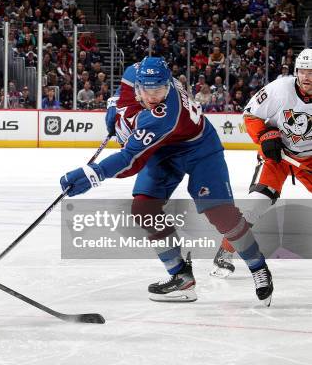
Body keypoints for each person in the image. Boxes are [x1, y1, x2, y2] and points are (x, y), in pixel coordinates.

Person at [66, 56, 273, 305]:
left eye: (160, 90)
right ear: (139, 84)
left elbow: (130, 160)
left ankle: (258, 266)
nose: (154, 97)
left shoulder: (164, 114)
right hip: (164, 150)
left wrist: (93, 174)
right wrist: (116, 105)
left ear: (169, 85)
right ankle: (180, 277)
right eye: (148, 90)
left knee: (221, 214)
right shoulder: (136, 71)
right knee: (144, 208)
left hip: (199, 149)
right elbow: (125, 89)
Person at [211, 49, 312, 277]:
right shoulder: (279, 89)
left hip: (309, 158)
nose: (307, 77)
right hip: (277, 157)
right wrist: (265, 135)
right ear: (296, 71)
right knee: (255, 205)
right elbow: (250, 115)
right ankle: (224, 253)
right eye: (303, 71)